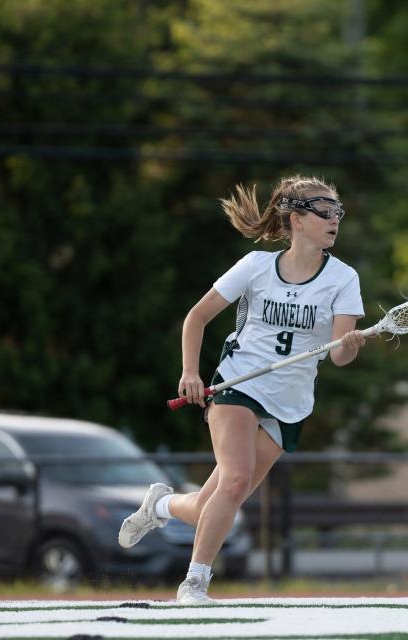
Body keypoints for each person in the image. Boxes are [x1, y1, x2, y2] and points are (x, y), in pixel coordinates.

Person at [119, 175, 367, 604]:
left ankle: (159, 506)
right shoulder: (255, 267)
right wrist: (190, 373)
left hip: (290, 403)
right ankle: (194, 584)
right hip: (239, 384)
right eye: (324, 211)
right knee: (234, 481)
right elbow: (196, 317)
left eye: (337, 212)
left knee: (212, 507)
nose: (334, 220)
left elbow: (341, 357)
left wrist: (349, 345)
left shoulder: (343, 278)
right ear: (297, 219)